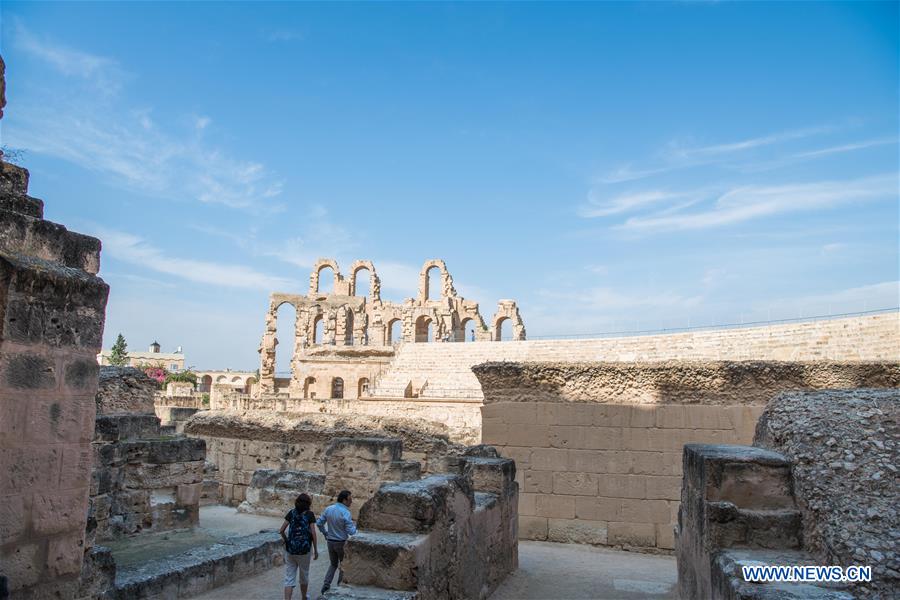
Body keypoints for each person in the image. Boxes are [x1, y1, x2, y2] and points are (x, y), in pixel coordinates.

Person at [316, 490, 357, 594]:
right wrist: (357, 529)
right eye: (350, 500)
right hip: (341, 542)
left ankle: (326, 584)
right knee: (343, 565)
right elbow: (351, 531)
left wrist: (325, 533)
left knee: (333, 564)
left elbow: (319, 523)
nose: (351, 502)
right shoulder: (345, 512)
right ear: (344, 500)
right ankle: (339, 586)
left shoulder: (329, 509)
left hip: (330, 541)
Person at [280, 493, 319, 600]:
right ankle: (303, 597)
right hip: (304, 550)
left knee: (289, 577)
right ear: (308, 504)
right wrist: (315, 549)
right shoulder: (310, 515)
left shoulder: (291, 513)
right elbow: (313, 533)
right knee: (304, 575)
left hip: (290, 549)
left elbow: (281, 530)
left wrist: (286, 540)